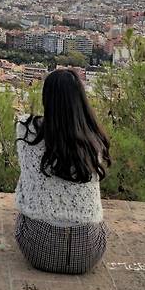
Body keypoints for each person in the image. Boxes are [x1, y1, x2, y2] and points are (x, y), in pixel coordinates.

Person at [14, 68, 111, 274]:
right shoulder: (95, 139)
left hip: (37, 248)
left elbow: (26, 173)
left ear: (46, 98)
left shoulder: (26, 129)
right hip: (88, 253)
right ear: (80, 99)